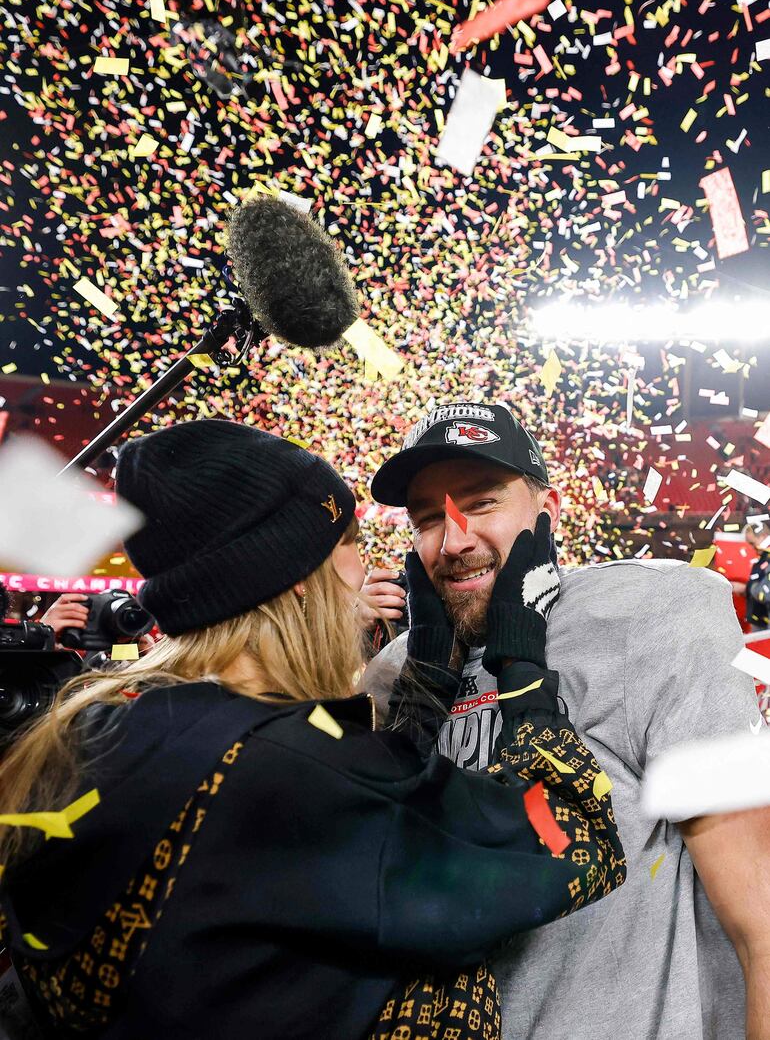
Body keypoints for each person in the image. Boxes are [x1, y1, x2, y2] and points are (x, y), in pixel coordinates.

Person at [0, 418, 624, 1040]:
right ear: (300, 578)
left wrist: (426, 687)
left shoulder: (84, 731)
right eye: (349, 540)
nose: (365, 569)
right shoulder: (295, 767)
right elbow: (574, 842)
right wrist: (519, 668)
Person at [365, 400, 770, 1040]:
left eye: (482, 502)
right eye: (425, 519)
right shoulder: (396, 676)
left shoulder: (653, 616)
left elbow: (762, 921)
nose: (454, 538)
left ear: (546, 510)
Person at [742, 521, 770, 632]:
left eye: (752, 543)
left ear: (763, 536)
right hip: (759, 618)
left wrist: (752, 587)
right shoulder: (762, 557)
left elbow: (765, 593)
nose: (752, 548)